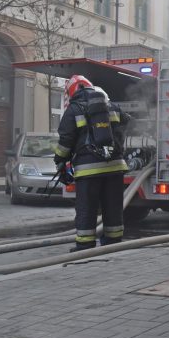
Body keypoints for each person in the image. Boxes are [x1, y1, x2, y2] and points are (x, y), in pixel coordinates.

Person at [54, 75, 130, 251]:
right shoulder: (110, 105)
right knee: (113, 206)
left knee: (87, 207)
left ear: (72, 92)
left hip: (88, 170)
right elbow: (127, 122)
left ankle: (85, 244)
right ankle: (113, 243)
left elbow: (66, 140)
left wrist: (60, 160)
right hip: (115, 167)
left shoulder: (74, 109)